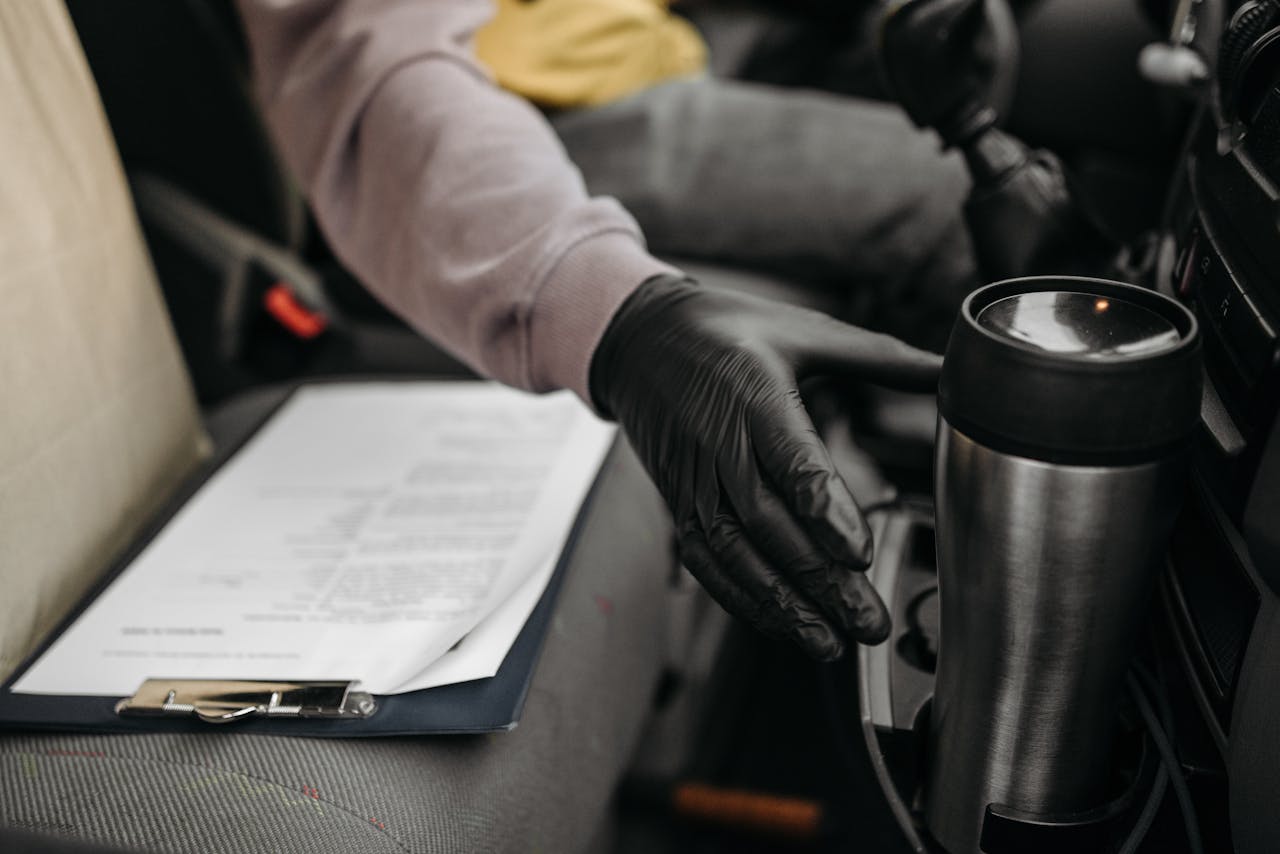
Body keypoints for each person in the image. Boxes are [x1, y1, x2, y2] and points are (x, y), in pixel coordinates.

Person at [234, 0, 949, 662]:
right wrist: (615, 312)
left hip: (671, 41)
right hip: (535, 101)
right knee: (954, 201)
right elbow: (373, 58)